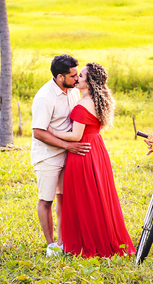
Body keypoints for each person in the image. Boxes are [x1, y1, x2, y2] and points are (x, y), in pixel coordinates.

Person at [51, 62, 135, 258]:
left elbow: (75, 136)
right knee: (98, 196)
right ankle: (102, 235)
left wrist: (52, 131)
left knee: (84, 198)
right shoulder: (98, 101)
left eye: (80, 75)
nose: (76, 78)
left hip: (82, 153)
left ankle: (86, 241)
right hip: (97, 149)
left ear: (89, 82)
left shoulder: (82, 105)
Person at [31, 53, 90, 257]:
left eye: (77, 74)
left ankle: (63, 241)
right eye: (73, 76)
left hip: (68, 154)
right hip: (48, 155)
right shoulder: (44, 97)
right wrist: (67, 145)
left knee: (64, 199)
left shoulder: (73, 91)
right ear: (59, 77)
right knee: (46, 200)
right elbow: (38, 132)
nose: (77, 78)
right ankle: (51, 245)